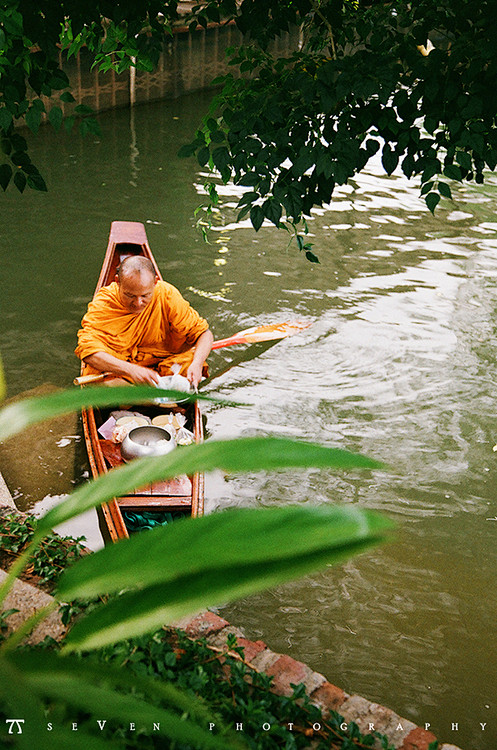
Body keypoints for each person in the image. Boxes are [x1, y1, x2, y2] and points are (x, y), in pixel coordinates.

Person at [75, 255, 213, 388]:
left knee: (189, 362)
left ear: (155, 282)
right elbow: (88, 352)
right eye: (130, 295)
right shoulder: (104, 303)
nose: (138, 303)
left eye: (145, 295)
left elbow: (204, 334)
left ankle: (145, 398)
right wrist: (132, 370)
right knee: (99, 377)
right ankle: (161, 400)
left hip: (164, 367)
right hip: (122, 372)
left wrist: (197, 363)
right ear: (117, 282)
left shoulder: (166, 295)